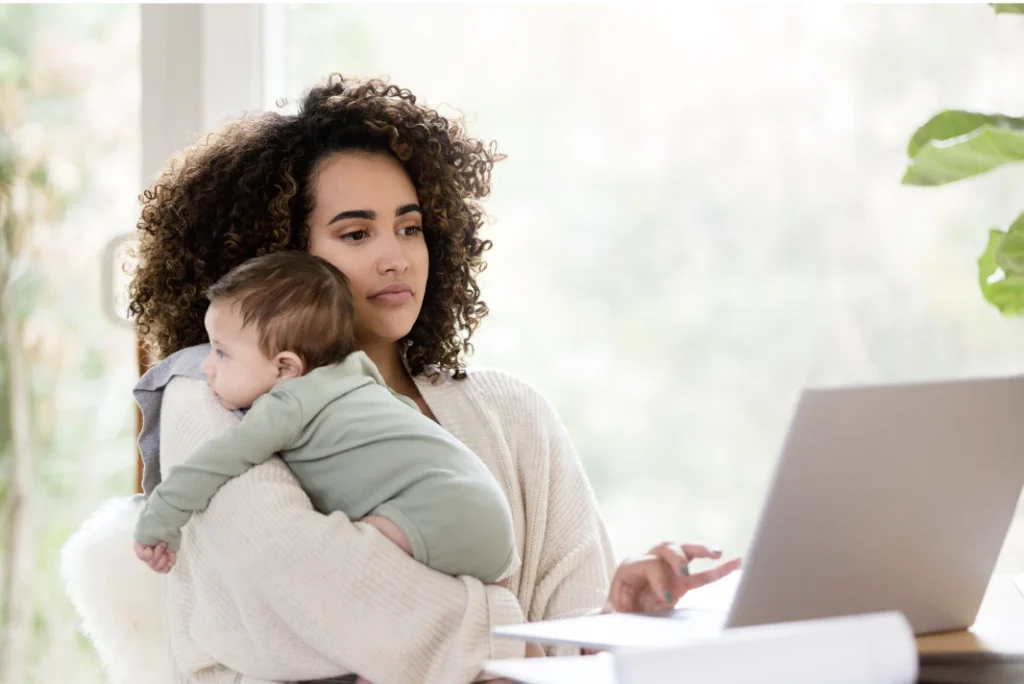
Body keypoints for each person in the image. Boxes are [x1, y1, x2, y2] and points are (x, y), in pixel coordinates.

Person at [60, 74, 740, 684]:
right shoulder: (211, 398)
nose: (396, 258)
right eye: (356, 235)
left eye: (409, 229)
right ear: (282, 260)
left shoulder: (514, 411)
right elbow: (308, 586)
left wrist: (614, 618)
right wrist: (510, 633)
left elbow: (564, 655)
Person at [133, 250, 518, 590]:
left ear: (285, 367)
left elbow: (212, 463)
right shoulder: (359, 375)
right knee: (491, 632)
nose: (206, 366)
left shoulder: (287, 404)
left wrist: (158, 522)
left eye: (221, 353)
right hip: (489, 514)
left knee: (349, 579)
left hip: (433, 513)